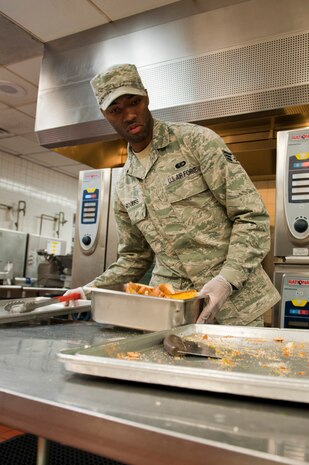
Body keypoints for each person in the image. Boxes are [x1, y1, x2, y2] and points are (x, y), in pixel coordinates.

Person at [66, 63, 280, 325]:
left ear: (146, 97)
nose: (129, 115)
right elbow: (135, 257)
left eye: (134, 102)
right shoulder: (124, 185)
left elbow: (252, 217)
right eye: (116, 110)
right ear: (105, 115)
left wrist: (227, 279)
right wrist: (88, 291)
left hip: (238, 307)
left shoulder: (196, 141)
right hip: (175, 312)